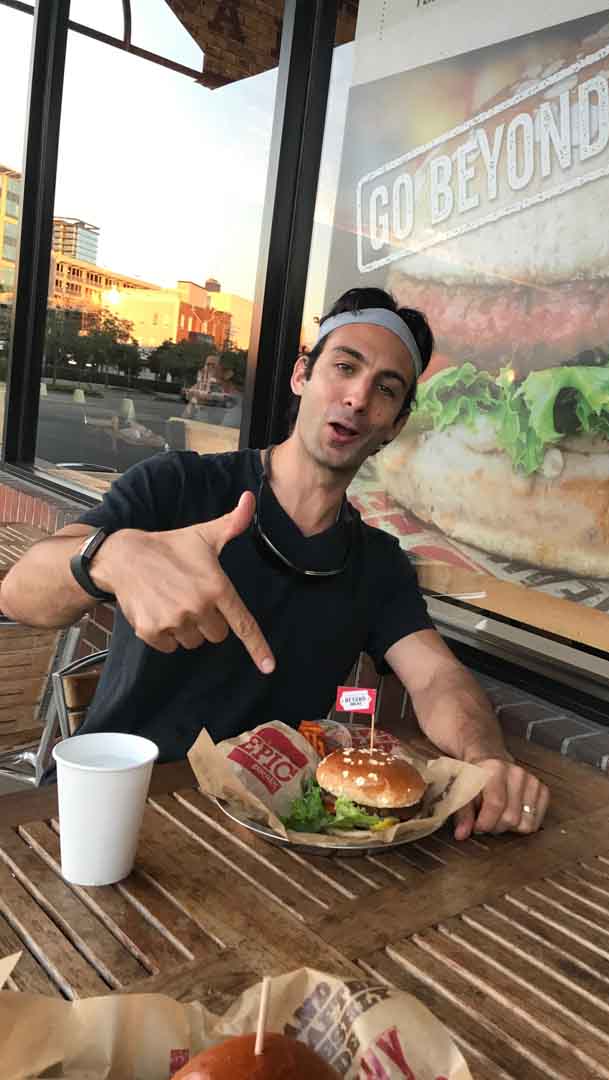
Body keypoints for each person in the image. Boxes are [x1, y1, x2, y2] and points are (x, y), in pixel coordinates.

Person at [0, 287, 549, 840]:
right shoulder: (178, 486)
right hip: (113, 809)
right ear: (301, 376)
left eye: (385, 389)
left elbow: (435, 678)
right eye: (344, 366)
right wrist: (108, 557)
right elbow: (19, 594)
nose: (358, 398)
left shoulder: (376, 564)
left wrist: (486, 757)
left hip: (267, 833)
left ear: (394, 426)